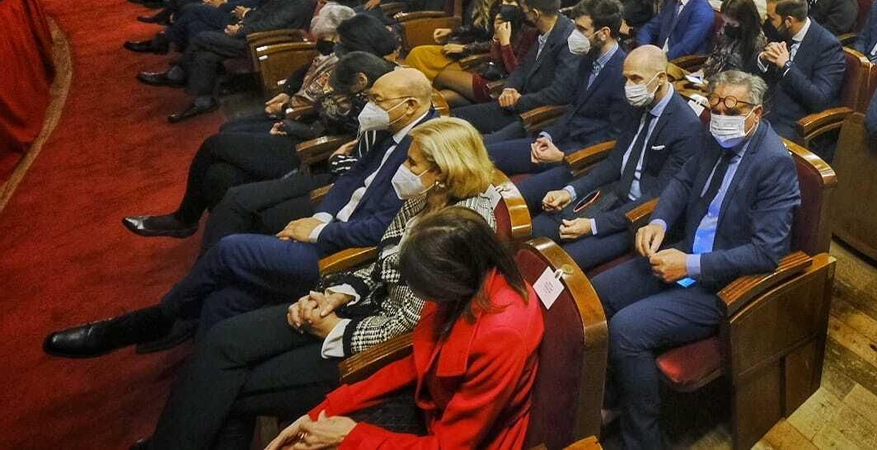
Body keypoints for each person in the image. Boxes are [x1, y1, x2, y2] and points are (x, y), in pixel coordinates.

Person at [141, 121, 510, 450]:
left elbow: (412, 322)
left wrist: (337, 329)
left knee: (234, 387)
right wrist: (337, 293)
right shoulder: (427, 195)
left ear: (442, 172)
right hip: (360, 307)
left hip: (379, 348)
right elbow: (382, 260)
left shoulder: (461, 226)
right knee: (223, 339)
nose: (403, 169)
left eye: (412, 163)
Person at [45, 69, 438, 357]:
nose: (369, 107)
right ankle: (193, 393)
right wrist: (319, 218)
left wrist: (317, 234)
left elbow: (381, 229)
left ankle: (151, 321)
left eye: (378, 101)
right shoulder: (390, 127)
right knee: (223, 299)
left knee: (231, 249)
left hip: (342, 257)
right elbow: (351, 177)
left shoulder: (427, 147)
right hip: (328, 226)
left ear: (410, 105)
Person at [591, 69, 800, 450]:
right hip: (685, 249)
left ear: (757, 113)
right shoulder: (711, 133)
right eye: (716, 102)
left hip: (721, 281)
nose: (720, 113)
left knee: (626, 329)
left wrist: (690, 266)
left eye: (732, 106)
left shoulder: (773, 163)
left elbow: (768, 251)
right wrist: (658, 220)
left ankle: (643, 440)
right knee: (597, 294)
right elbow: (684, 182)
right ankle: (615, 396)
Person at [263, 207, 541, 450]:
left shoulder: (502, 334)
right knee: (304, 440)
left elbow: (451, 444)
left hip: (456, 435)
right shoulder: (465, 280)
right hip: (432, 407)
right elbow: (416, 363)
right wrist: (322, 412)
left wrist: (350, 436)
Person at [123, 47, 391, 240]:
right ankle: (224, 234)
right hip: (303, 133)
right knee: (220, 175)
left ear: (360, 82)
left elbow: (344, 138)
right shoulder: (359, 89)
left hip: (309, 152)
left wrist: (293, 125)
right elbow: (321, 109)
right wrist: (292, 115)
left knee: (215, 144)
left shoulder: (376, 104)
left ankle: (184, 219)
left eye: (341, 89)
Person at [523, 46, 703, 268]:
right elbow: (614, 162)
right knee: (539, 228)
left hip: (638, 215)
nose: (629, 87)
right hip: (615, 191)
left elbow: (659, 195)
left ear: (661, 78)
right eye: (626, 79)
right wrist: (570, 191)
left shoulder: (687, 127)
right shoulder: (638, 103)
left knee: (563, 260)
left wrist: (593, 225)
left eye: (636, 78)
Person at [487, 0, 630, 188]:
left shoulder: (624, 73)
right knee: (483, 155)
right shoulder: (587, 58)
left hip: (580, 161)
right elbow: (571, 109)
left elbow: (614, 138)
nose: (574, 35)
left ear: (603, 33)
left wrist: (563, 156)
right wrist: (547, 135)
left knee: (515, 194)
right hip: (558, 140)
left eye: (581, 30)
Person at [138, 0, 317, 122]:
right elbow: (262, 15)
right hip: (250, 34)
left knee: (202, 37)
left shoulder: (296, 0)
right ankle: (204, 100)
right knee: (205, 56)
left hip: (260, 42)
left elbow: (271, 25)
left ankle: (177, 73)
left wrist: (239, 31)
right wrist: (242, 24)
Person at [449, 0, 581, 138]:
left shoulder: (569, 40)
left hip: (537, 117)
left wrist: (519, 100)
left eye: (524, 11)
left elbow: (559, 94)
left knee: (475, 141)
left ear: (535, 14)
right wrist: (509, 89)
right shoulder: (543, 32)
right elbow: (522, 69)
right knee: (453, 119)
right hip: (516, 104)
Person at [758, 0, 846, 144]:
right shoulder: (781, 32)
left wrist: (786, 66)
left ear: (789, 21)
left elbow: (819, 99)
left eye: (772, 18)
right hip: (766, 107)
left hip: (795, 122)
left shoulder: (828, 46)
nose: (767, 22)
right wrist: (763, 58)